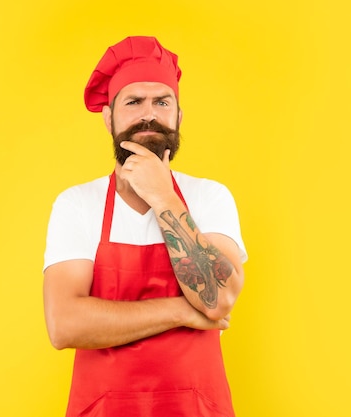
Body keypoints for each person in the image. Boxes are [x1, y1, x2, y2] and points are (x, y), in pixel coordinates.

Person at [43, 36, 248, 417]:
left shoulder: (209, 197)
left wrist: (163, 197)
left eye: (162, 101)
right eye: (134, 102)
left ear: (179, 116)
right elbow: (64, 324)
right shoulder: (77, 204)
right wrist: (181, 312)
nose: (148, 115)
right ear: (109, 118)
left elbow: (218, 299)